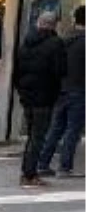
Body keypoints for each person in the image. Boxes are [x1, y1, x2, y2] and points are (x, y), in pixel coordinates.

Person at [15, 11, 67, 187]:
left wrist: (22, 92)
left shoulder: (25, 44)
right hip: (44, 97)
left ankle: (27, 172)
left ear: (38, 23)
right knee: (38, 137)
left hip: (28, 97)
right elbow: (60, 70)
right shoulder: (55, 43)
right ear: (54, 25)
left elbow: (17, 72)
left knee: (32, 135)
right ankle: (29, 174)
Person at [38, 5, 86, 178]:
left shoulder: (65, 40)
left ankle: (43, 164)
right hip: (80, 90)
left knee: (56, 129)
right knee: (73, 130)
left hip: (62, 90)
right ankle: (65, 167)